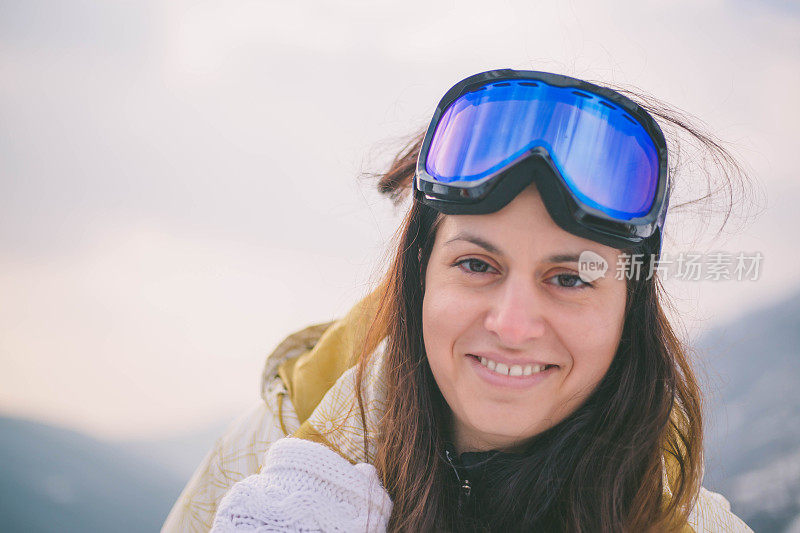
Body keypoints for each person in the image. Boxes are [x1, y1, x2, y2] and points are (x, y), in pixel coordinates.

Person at [162, 69, 754, 532]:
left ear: (630, 310)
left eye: (570, 279)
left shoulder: (675, 524)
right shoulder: (266, 459)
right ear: (420, 276)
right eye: (477, 265)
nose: (513, 326)